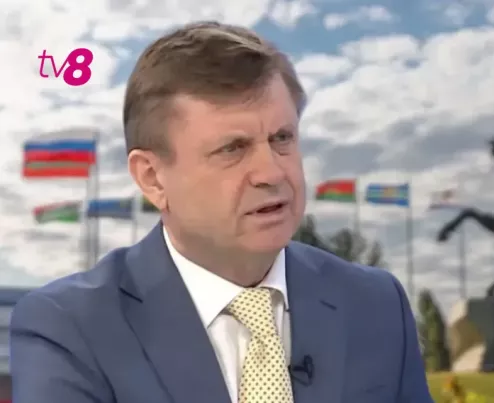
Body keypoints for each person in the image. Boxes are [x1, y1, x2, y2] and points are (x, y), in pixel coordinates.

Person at [10, 21, 433, 403]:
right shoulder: (68, 329)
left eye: (282, 138)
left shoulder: (376, 304)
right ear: (153, 178)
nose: (272, 172)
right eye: (233, 149)